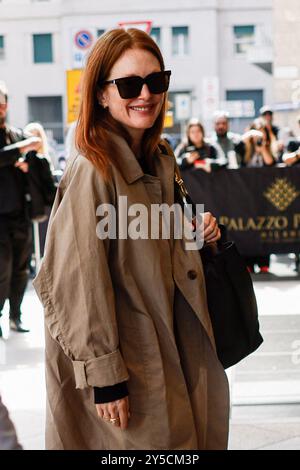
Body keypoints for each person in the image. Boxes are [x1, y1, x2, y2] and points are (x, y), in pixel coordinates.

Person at [33, 28, 229, 450]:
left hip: (169, 343)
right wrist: (104, 377)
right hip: (127, 362)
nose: (146, 93)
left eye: (156, 81)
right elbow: (74, 282)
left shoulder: (158, 158)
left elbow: (147, 238)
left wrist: (196, 228)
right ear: (101, 94)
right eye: (128, 84)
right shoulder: (95, 168)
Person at [0, 82, 40, 336]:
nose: (0, 108)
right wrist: (19, 152)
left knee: (21, 269)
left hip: (20, 213)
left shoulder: (16, 134)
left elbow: (36, 158)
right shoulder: (17, 144)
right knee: (2, 269)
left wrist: (28, 163)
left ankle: (16, 315)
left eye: (2, 103)